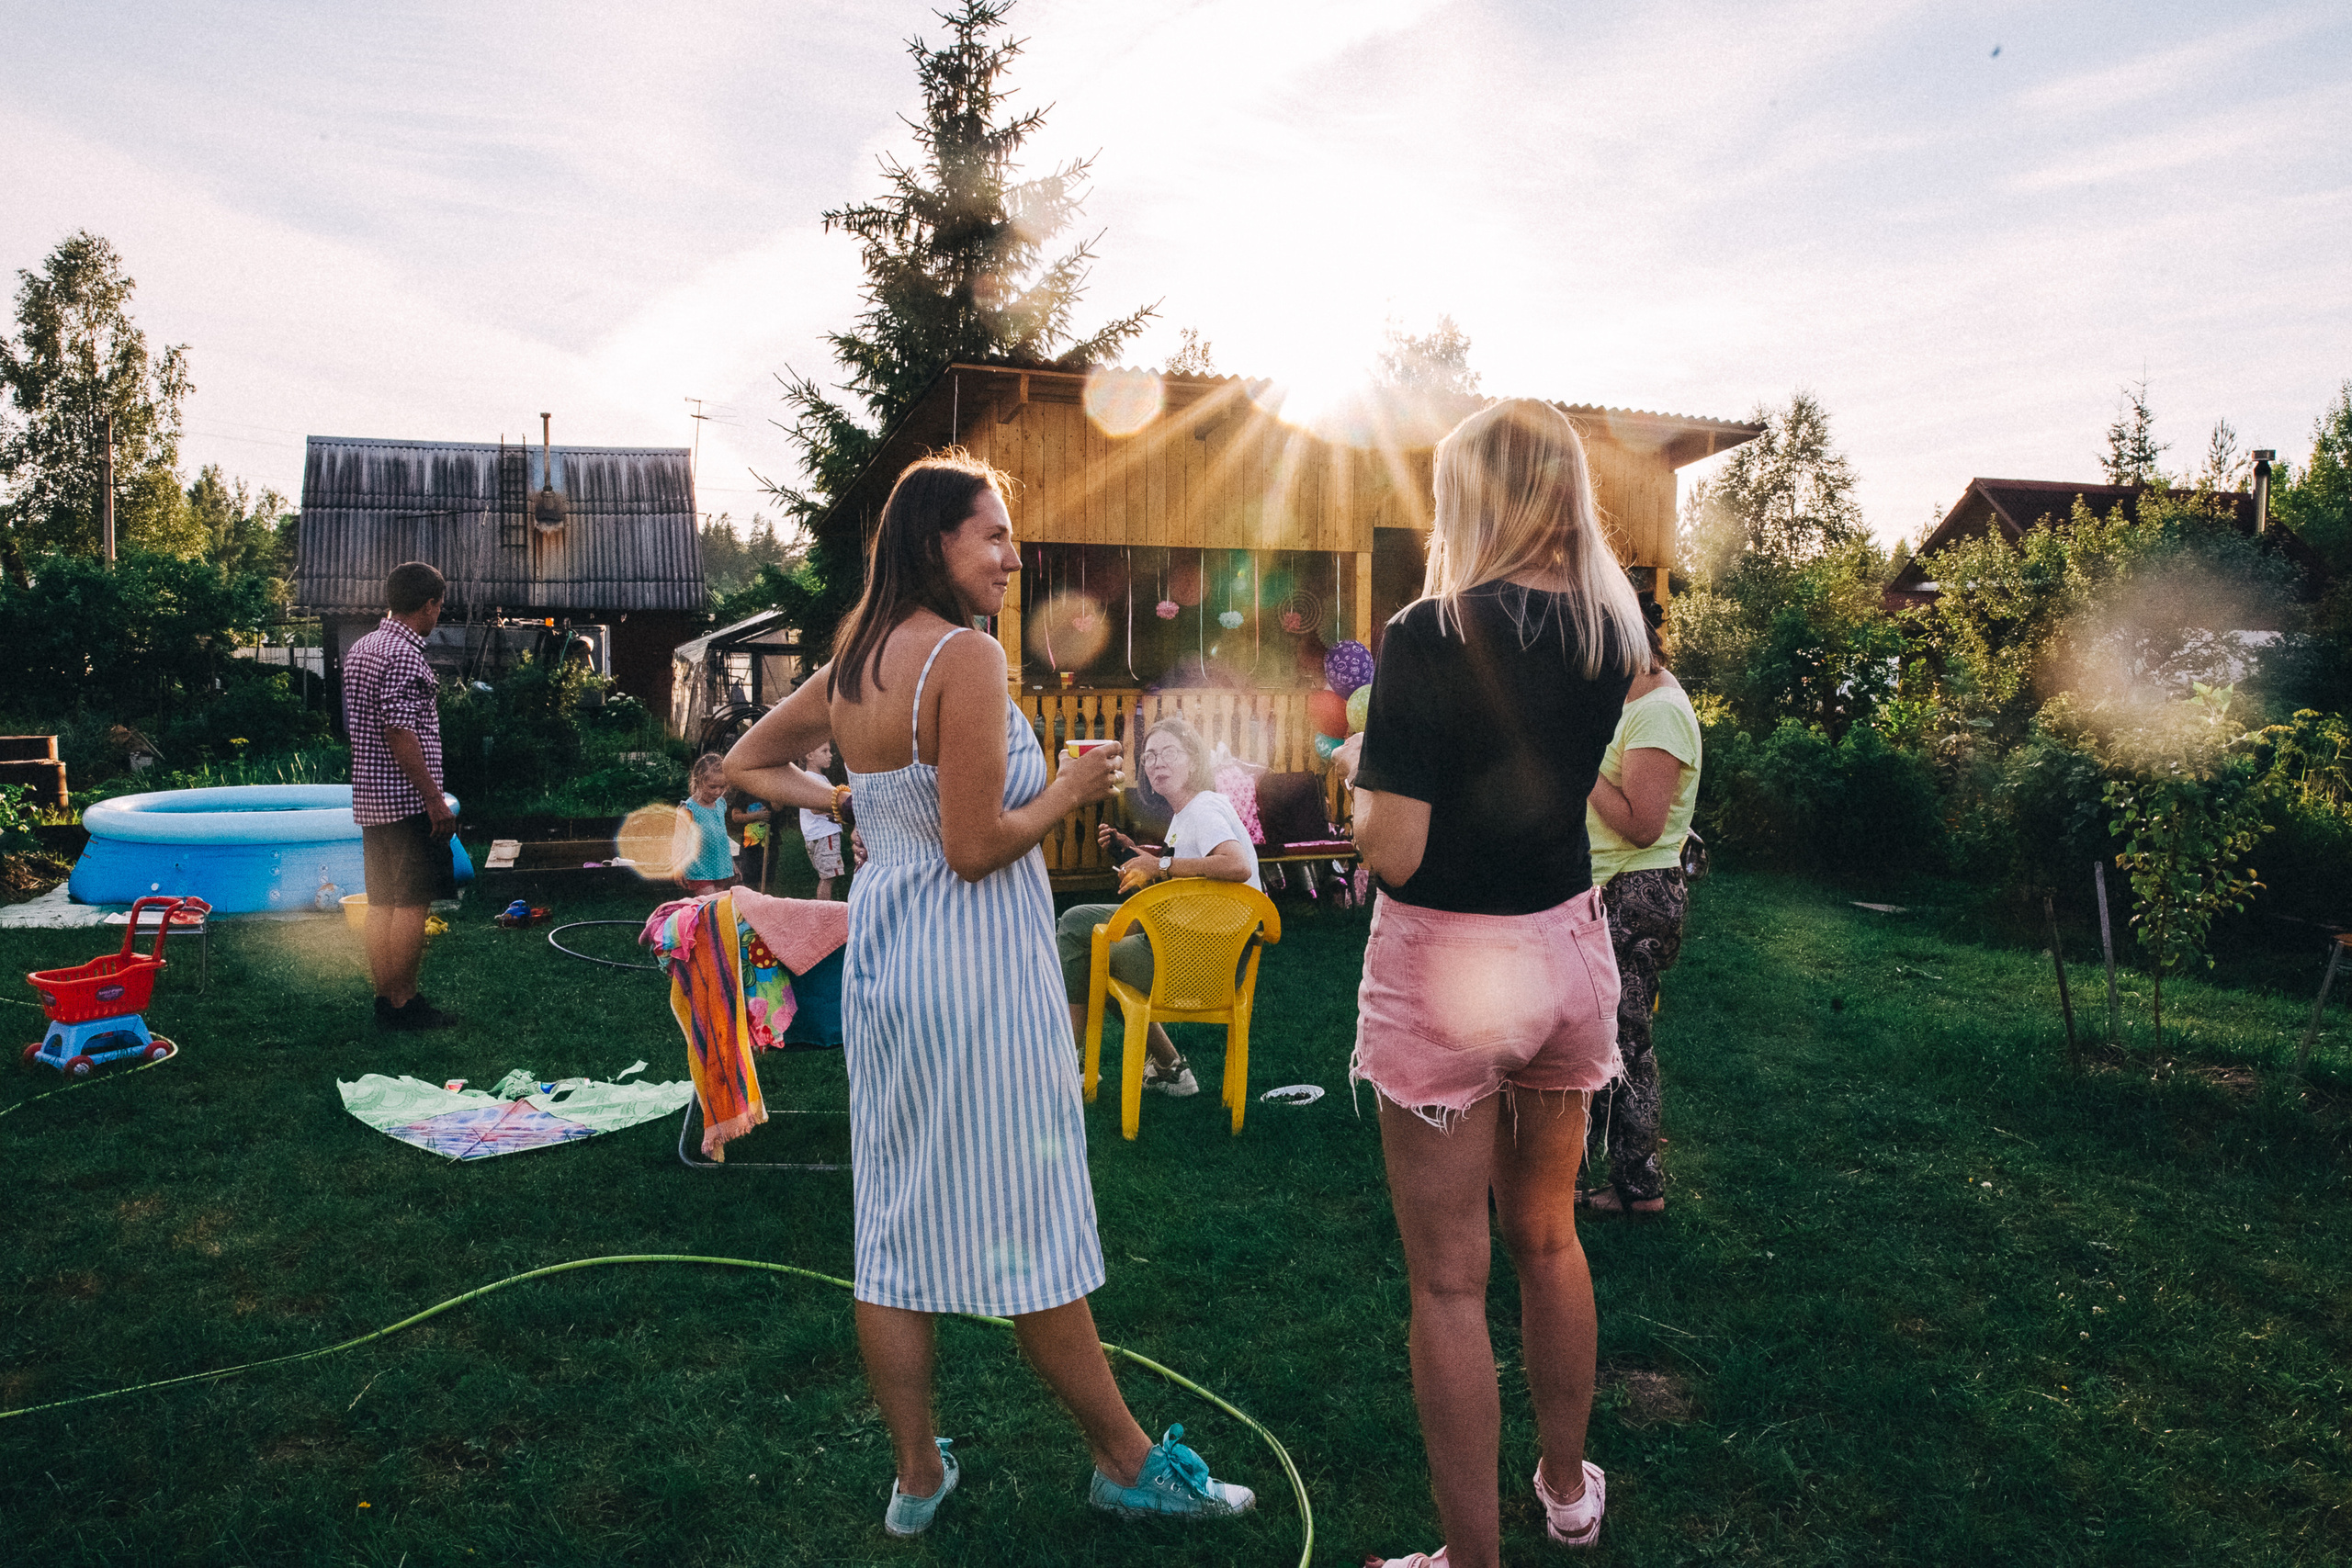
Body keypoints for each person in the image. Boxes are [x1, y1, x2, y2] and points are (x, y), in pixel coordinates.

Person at [726, 451, 1255, 1537]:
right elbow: (975, 848)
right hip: (971, 969)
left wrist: (845, 793)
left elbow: (744, 761)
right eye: (995, 536)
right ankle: (1126, 1462)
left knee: (894, 1219)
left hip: (888, 965)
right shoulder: (962, 657)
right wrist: (1062, 788)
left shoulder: (858, 659)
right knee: (1028, 1215)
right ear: (937, 544)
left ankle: (918, 1477)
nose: (1014, 557)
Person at [1336, 399, 1649, 1567]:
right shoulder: (1614, 630)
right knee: (1549, 1236)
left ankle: (1471, 1563)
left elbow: (1396, 848)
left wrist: (1360, 793)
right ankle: (1568, 1493)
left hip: (1448, 965)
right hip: (1564, 953)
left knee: (1450, 1286)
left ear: (1473, 497)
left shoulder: (1427, 632)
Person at [1055, 715, 1260, 1097]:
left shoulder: (1203, 809)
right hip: (1195, 945)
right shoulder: (1188, 814)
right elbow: (1185, 877)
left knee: (1093, 948)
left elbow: (1235, 865)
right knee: (1077, 921)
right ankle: (1167, 1069)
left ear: (1194, 762)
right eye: (1149, 757)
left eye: (1168, 753)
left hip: (1203, 963)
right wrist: (1133, 852)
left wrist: (1159, 864)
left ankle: (1070, 1063)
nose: (1156, 763)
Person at [1580, 598, 1702, 1216]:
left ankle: (1638, 1187)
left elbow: (1642, 824)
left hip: (1637, 892)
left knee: (1625, 1043)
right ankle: (1592, 1175)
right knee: (1598, 1037)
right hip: (1611, 887)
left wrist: (1579, 765)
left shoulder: (1659, 713)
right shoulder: (1633, 701)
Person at [343, 559, 460, 1032]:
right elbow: (399, 731)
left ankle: (384, 997)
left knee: (382, 904)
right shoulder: (404, 654)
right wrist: (434, 798)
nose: (439, 615)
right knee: (413, 904)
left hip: (373, 801)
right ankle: (404, 1002)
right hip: (408, 802)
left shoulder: (363, 647)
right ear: (429, 604)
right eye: (439, 606)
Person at [676, 754, 740, 894]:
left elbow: (721, 837)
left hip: (720, 868)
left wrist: (731, 863)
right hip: (699, 869)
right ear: (698, 781)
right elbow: (679, 840)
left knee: (717, 908)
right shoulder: (689, 809)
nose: (718, 792)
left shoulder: (720, 805)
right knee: (711, 905)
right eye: (712, 787)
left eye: (722, 787)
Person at [795, 740, 848, 898]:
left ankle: (825, 908)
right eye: (824, 751)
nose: (830, 755)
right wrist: (841, 807)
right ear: (810, 755)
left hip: (819, 834)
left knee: (828, 876)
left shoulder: (815, 778)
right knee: (828, 878)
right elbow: (815, 807)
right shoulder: (812, 779)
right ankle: (824, 912)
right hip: (824, 834)